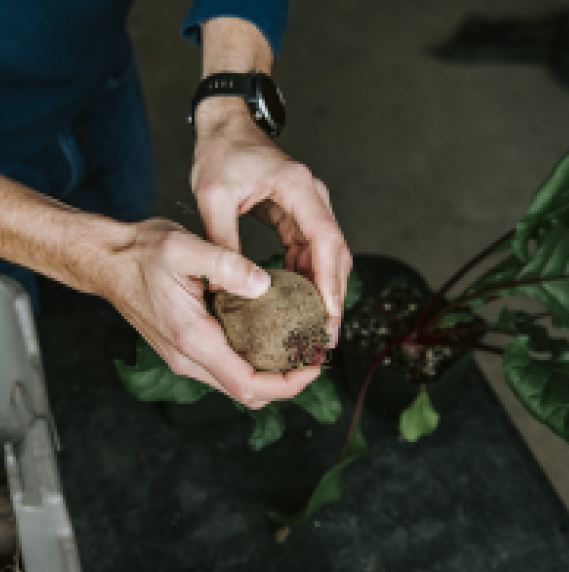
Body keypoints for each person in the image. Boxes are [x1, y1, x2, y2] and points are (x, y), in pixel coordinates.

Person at [0, 2, 353, 411]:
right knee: (24, 359)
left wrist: (230, 105)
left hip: (96, 72)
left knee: (122, 243)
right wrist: (103, 258)